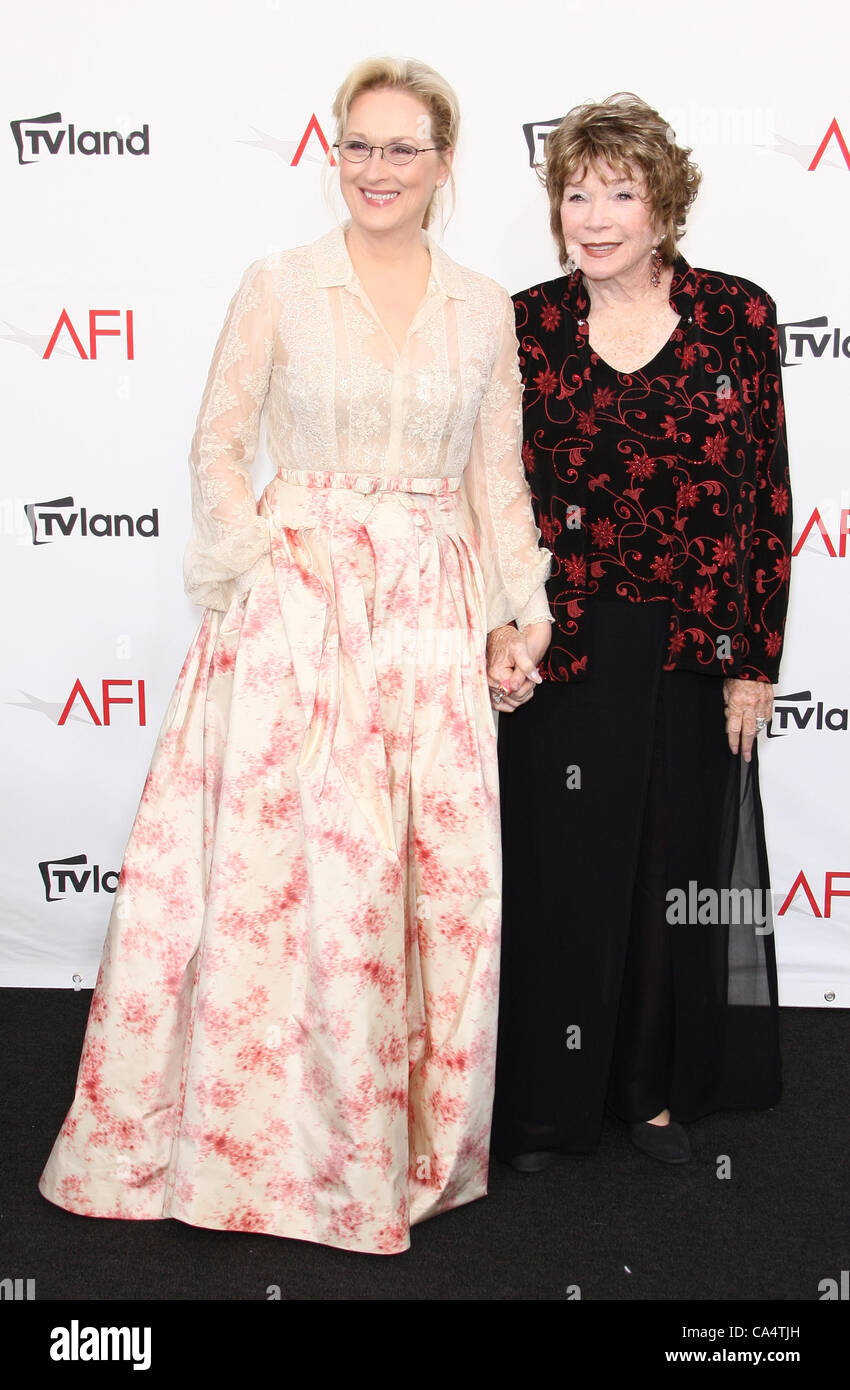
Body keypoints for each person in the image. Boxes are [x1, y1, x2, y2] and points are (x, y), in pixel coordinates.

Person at [38, 56, 553, 1253]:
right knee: (281, 884)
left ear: (443, 162)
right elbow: (217, 446)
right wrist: (262, 551)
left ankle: (377, 1157)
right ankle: (244, 1157)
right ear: (336, 154)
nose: (378, 168)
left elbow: (494, 477)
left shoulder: (483, 304)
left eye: (403, 148)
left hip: (425, 613)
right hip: (294, 612)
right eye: (358, 145)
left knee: (414, 882)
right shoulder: (276, 283)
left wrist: (516, 613)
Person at [488, 92, 792, 1171]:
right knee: (563, 872)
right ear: (554, 205)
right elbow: (494, 495)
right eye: (577, 191)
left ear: (665, 204)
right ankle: (546, 1106)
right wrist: (500, 627)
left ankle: (650, 1094)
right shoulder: (521, 323)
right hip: (562, 643)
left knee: (670, 872)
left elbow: (764, 498)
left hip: (692, 642)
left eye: (622, 191)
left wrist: (755, 659)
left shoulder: (737, 317)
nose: (597, 213)